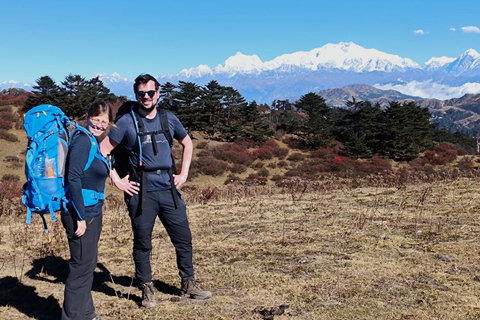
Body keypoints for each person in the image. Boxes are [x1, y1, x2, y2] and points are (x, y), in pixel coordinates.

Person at [100, 74, 211, 308]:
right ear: (136, 95)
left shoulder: (169, 119)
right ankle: (146, 287)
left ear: (158, 93)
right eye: (141, 94)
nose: (146, 97)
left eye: (150, 92)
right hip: (141, 192)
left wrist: (184, 173)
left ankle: (188, 283)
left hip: (168, 189)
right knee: (143, 243)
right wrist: (117, 181)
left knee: (183, 239)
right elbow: (102, 150)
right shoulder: (126, 123)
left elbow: (187, 143)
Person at [61, 101, 116, 320]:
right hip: (80, 213)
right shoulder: (83, 140)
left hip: (92, 211)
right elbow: (73, 178)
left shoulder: (91, 141)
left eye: (105, 122)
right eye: (97, 120)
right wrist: (80, 217)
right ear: (88, 117)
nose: (100, 126)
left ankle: (86, 313)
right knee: (80, 267)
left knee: (88, 264)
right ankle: (72, 316)